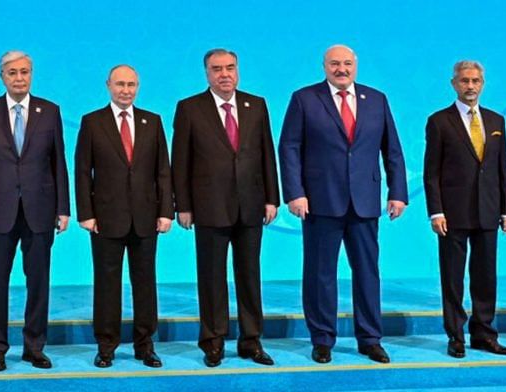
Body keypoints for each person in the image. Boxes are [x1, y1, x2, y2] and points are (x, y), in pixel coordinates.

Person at [279, 44, 408, 364]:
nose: (342, 69)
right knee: (320, 274)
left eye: (347, 63)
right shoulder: (304, 99)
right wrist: (295, 193)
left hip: (365, 202)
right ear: (324, 66)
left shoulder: (376, 99)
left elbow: (392, 149)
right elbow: (289, 148)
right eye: (335, 64)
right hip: (320, 202)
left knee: (368, 272)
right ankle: (322, 339)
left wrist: (398, 192)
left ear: (356, 66)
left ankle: (370, 338)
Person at [172, 48, 280, 368]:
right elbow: (180, 162)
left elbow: (266, 154)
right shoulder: (190, 108)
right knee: (212, 277)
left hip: (251, 206)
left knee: (249, 275)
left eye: (230, 68)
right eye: (217, 69)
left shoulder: (256, 105)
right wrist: (183, 205)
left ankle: (251, 341)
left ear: (238, 70)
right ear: (206, 73)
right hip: (208, 208)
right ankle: (213, 341)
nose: (224, 74)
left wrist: (272, 197)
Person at [0, 50, 70, 371]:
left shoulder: (50, 111)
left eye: (24, 72)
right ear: (2, 76)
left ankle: (34, 346)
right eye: (12, 73)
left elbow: (59, 164)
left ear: (32, 74)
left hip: (41, 209)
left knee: (38, 281)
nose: (19, 78)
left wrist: (63, 208)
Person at [75, 65, 173, 368]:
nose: (126, 90)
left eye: (131, 84)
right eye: (120, 84)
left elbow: (162, 171)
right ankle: (106, 345)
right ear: (108, 86)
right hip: (105, 219)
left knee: (145, 282)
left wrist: (165, 211)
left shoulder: (152, 122)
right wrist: (86, 213)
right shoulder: (92, 122)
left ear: (138, 86)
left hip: (146, 218)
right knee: (106, 283)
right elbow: (82, 172)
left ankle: (145, 344)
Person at [423, 60, 506, 359]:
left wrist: (505, 210)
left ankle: (484, 335)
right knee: (453, 277)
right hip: (452, 214)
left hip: (488, 212)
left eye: (475, 81)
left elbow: (502, 169)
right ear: (454, 84)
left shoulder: (497, 121)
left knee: (486, 276)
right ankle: (456, 336)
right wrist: (436, 211)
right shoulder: (439, 121)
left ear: (483, 84)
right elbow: (431, 172)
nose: (470, 86)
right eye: (464, 81)